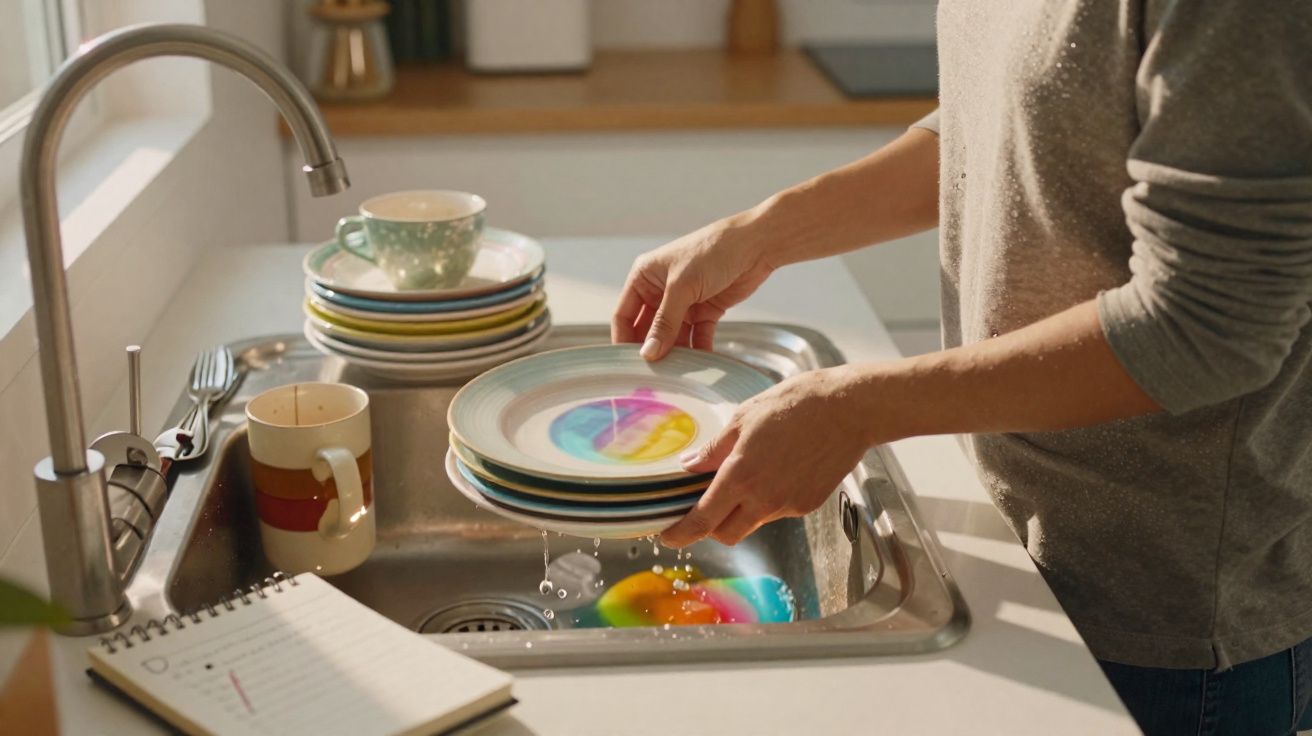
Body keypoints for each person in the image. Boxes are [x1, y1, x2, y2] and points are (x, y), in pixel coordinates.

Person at [611, 2, 1312, 733]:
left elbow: (1212, 324)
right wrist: (760, 235)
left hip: (1162, 623)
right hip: (1007, 542)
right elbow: (1014, 120)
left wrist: (858, 408)